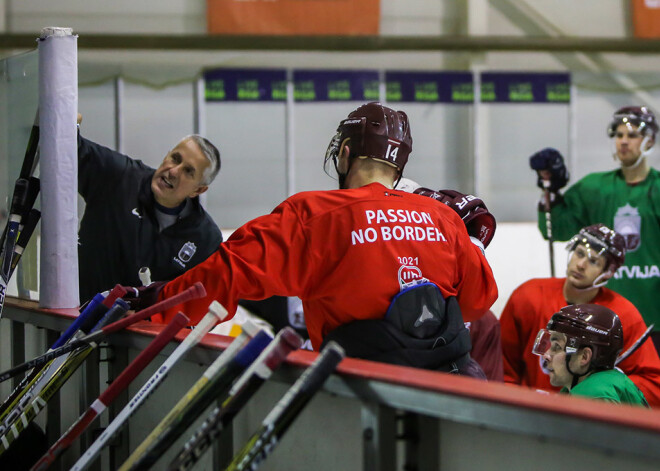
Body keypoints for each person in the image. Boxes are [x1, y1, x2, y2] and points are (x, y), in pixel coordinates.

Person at [133, 102, 498, 373]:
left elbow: (226, 273)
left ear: (344, 154)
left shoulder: (313, 216)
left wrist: (156, 303)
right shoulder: (443, 219)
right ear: (398, 167)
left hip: (357, 396)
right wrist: (474, 244)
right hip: (450, 396)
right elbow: (478, 302)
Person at [529, 106, 660, 351]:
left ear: (649, 140)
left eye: (632, 135)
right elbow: (555, 230)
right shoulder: (594, 188)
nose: (623, 141)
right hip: (600, 320)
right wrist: (551, 190)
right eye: (619, 135)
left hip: (655, 321)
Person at [500, 223, 660, 406]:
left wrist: (604, 384)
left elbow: (654, 384)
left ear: (607, 273)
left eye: (594, 261)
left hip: (588, 420)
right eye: (580, 253)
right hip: (531, 414)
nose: (581, 264)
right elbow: (502, 368)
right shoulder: (528, 296)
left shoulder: (623, 316)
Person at [77, 115, 223, 302]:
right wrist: (68, 119)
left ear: (199, 189)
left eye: (188, 171)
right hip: (77, 320)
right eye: (175, 159)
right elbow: (71, 150)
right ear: (166, 155)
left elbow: (199, 302)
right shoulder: (119, 178)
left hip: (143, 330)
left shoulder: (206, 239)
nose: (173, 171)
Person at [532, 304, 649, 406]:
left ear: (584, 357)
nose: (546, 356)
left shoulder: (594, 395)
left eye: (557, 347)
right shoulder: (598, 384)